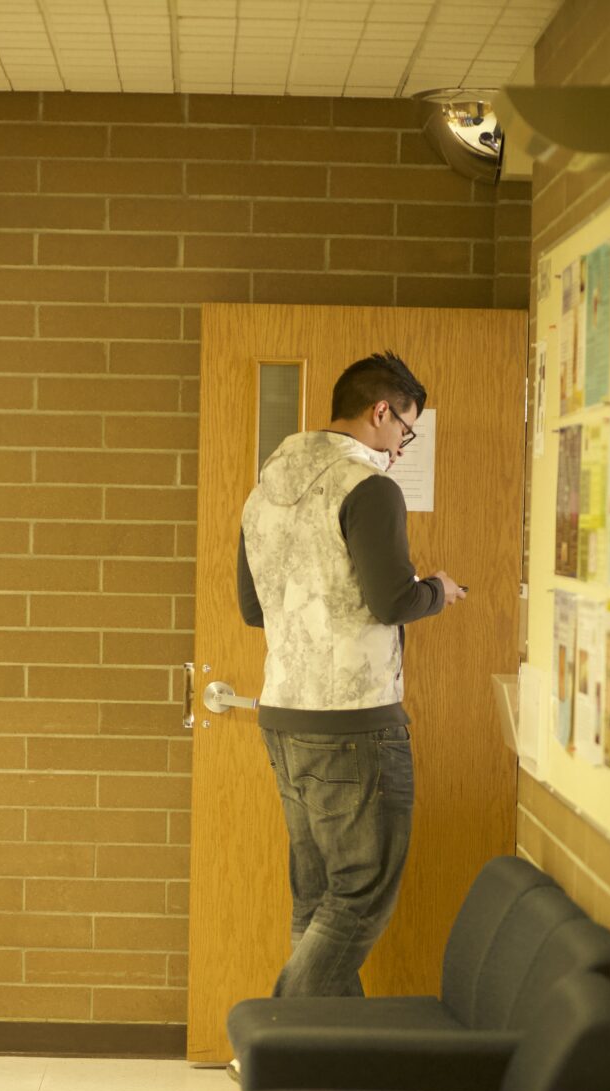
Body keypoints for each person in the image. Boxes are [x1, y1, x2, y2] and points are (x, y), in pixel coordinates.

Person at [237, 350, 466, 997]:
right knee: (359, 898)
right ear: (380, 411)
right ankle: (274, 1039)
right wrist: (437, 589)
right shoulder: (366, 487)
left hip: (283, 715)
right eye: (405, 431)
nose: (400, 448)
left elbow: (253, 608)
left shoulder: (266, 490)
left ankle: (316, 1057)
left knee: (318, 900)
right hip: (353, 723)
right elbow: (392, 600)